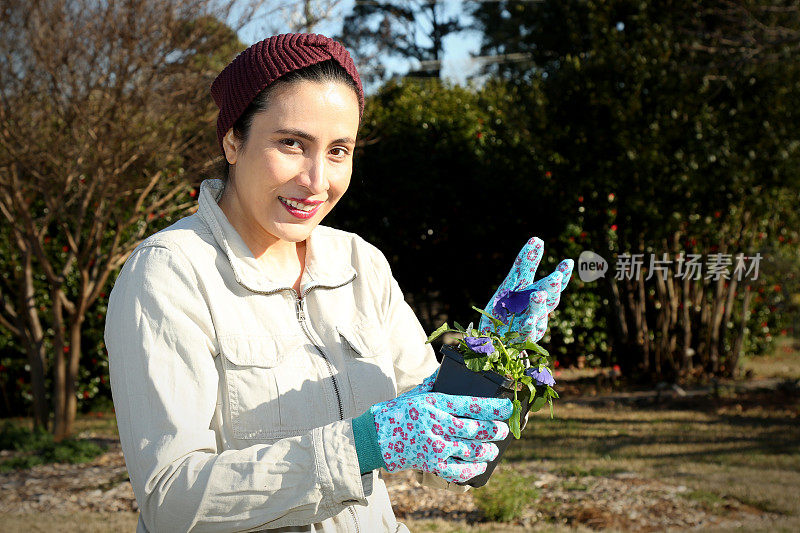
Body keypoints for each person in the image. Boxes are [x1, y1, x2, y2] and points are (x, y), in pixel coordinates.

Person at [105, 33, 513, 533]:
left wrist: (490, 367)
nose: (317, 180)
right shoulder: (169, 273)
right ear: (233, 139)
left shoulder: (361, 264)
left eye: (339, 150)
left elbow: (445, 463)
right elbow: (170, 500)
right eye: (292, 144)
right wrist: (361, 445)